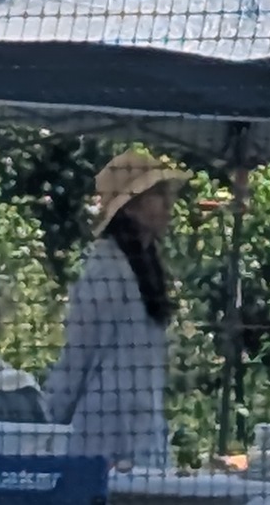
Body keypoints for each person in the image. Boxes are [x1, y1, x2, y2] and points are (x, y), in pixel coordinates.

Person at [45, 149, 185, 472]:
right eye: (158, 195)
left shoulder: (146, 266)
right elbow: (78, 356)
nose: (168, 204)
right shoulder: (106, 269)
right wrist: (46, 424)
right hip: (102, 438)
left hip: (142, 435)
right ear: (131, 208)